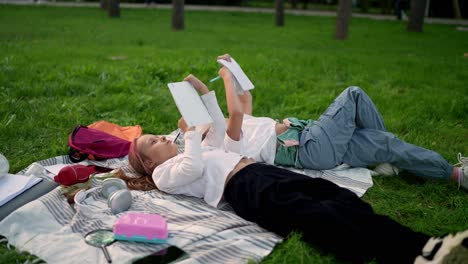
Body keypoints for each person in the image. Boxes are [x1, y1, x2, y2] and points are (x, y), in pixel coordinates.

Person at [126, 71, 468, 263]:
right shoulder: (164, 174)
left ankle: (427, 245)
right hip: (244, 188)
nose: (161, 138)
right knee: (317, 214)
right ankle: (403, 255)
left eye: (157, 135)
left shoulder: (197, 146)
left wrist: (201, 90)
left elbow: (217, 118)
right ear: (148, 163)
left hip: (261, 173)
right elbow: (191, 165)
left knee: (336, 196)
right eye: (153, 143)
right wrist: (191, 137)